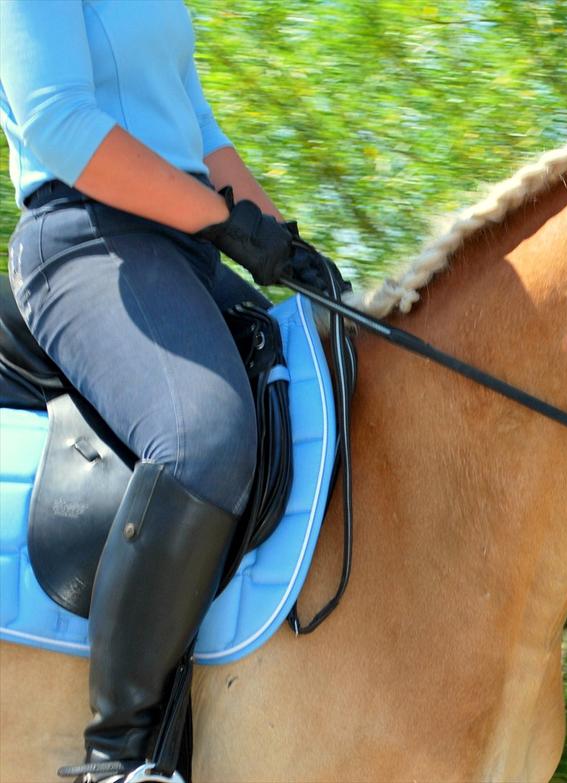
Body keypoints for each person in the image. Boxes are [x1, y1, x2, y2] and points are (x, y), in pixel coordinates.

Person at [1, 2, 323, 780]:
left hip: (187, 249)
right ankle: (117, 754)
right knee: (204, 440)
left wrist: (291, 246)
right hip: (87, 241)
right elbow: (60, 123)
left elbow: (199, 133)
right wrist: (218, 221)